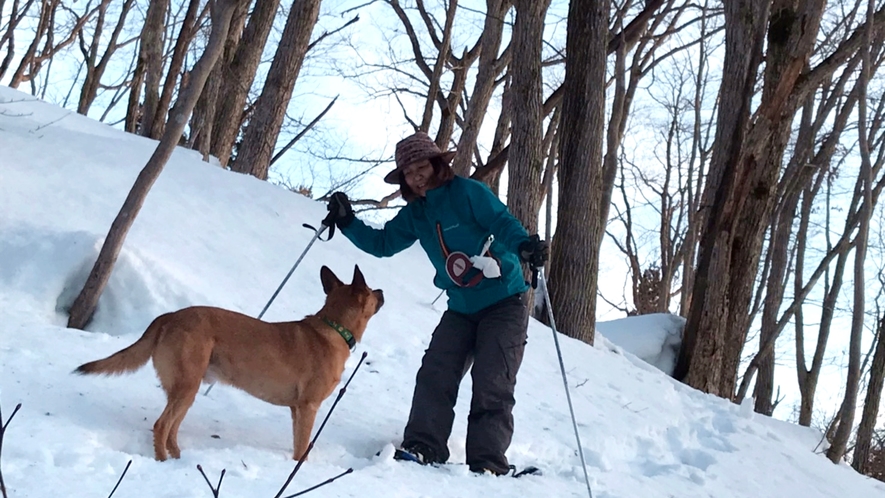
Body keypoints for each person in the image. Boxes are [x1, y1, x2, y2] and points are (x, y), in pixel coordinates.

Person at [325, 131, 549, 476]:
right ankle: (423, 446)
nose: (416, 177)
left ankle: (488, 462)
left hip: (504, 302)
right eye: (408, 173)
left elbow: (501, 222)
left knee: (493, 382)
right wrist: (347, 222)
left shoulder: (468, 192)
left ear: (437, 164)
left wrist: (523, 246)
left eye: (420, 167)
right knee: (435, 374)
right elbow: (383, 242)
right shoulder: (417, 214)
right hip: (460, 308)